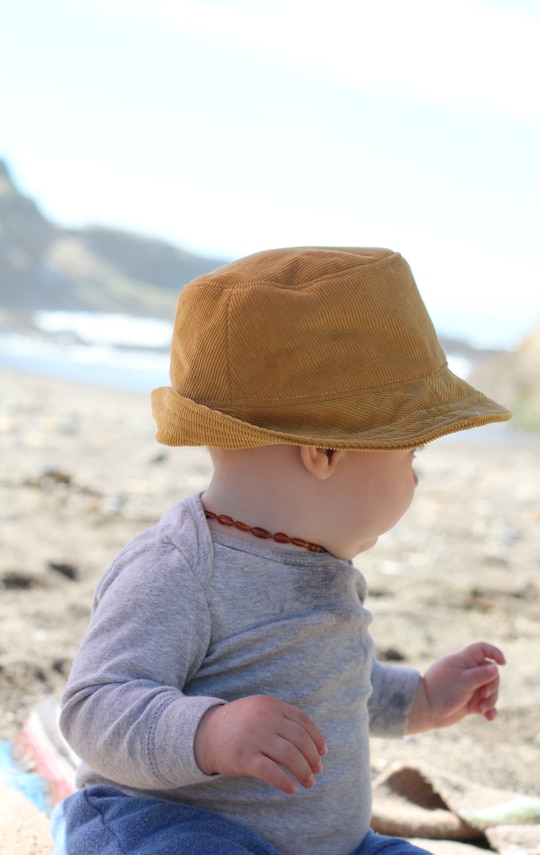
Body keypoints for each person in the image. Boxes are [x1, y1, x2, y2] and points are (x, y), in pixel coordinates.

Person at [51, 247, 510, 855]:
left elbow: (337, 685)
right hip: (167, 822)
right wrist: (210, 732)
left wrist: (422, 697)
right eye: (411, 454)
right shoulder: (180, 567)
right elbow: (93, 707)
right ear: (324, 453)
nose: (417, 479)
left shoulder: (319, 564)